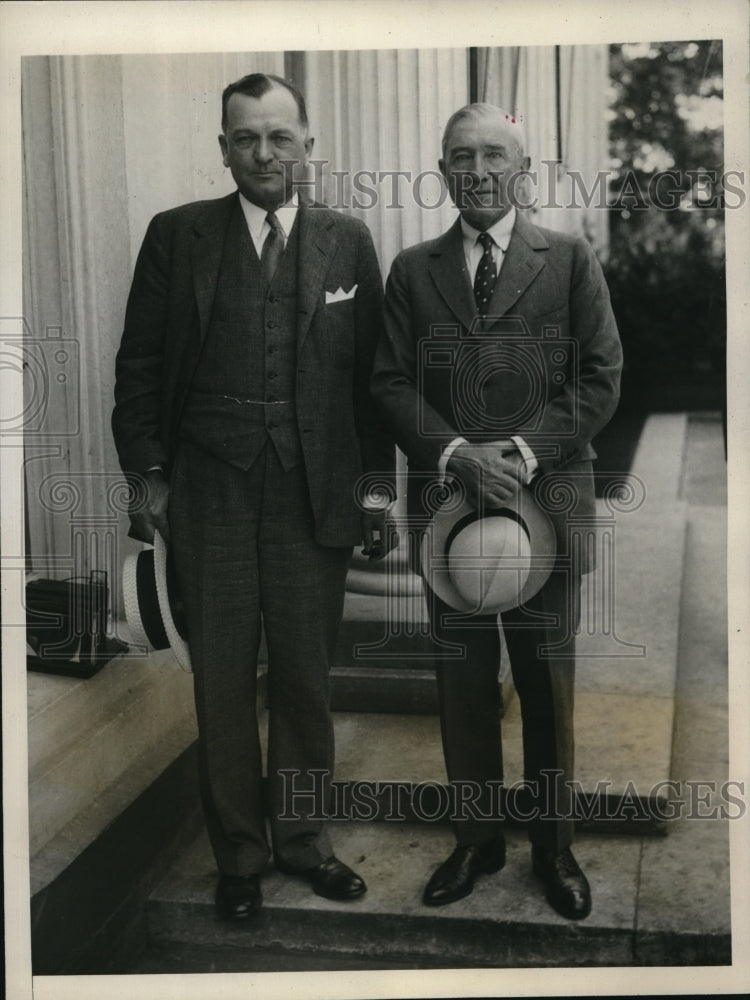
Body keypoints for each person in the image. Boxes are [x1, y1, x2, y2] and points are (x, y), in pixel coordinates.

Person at [112, 73, 395, 921]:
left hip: (316, 492)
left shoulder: (348, 242)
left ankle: (305, 843)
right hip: (211, 491)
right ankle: (238, 855)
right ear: (223, 147)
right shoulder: (178, 237)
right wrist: (149, 474)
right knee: (223, 679)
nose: (263, 154)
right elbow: (139, 368)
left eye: (279, 137)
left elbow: (372, 382)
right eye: (245, 138)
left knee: (308, 676)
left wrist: (377, 494)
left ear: (307, 141)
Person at [371, 102, 622, 920]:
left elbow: (601, 377)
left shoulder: (570, 259)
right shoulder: (413, 270)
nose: (477, 172)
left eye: (493, 156)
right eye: (460, 157)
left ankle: (555, 848)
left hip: (544, 499)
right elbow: (389, 382)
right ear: (442, 171)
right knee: (462, 683)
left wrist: (517, 453)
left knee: (546, 684)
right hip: (449, 508)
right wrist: (453, 454)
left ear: (523, 169)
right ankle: (476, 840)